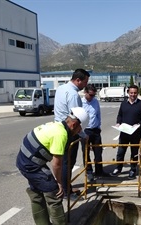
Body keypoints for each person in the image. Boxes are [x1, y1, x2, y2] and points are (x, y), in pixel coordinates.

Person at [16, 107, 89, 225]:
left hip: (26, 159)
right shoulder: (61, 135)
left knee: (37, 193)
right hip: (31, 165)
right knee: (55, 193)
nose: (78, 132)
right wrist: (59, 183)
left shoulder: (57, 125)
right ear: (74, 125)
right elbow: (57, 164)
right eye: (80, 129)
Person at [54, 68, 90, 200]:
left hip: (59, 127)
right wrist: (83, 136)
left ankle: (67, 187)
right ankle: (65, 192)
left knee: (65, 161)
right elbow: (76, 120)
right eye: (85, 82)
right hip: (69, 132)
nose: (85, 85)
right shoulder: (73, 95)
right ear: (78, 80)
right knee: (67, 163)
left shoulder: (61, 88)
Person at [110, 85, 141, 179]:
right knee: (120, 152)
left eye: (135, 93)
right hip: (124, 132)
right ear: (128, 93)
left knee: (134, 152)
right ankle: (118, 168)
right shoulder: (123, 103)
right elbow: (120, 115)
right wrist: (118, 123)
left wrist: (139, 124)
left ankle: (133, 169)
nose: (133, 95)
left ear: (137, 93)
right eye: (131, 93)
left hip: (135, 133)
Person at [81, 84, 109, 181]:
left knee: (98, 152)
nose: (92, 97)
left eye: (94, 95)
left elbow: (98, 114)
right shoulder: (80, 102)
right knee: (86, 152)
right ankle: (89, 172)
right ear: (85, 93)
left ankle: (99, 170)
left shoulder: (95, 102)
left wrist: (99, 126)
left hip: (96, 130)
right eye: (90, 95)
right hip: (85, 131)